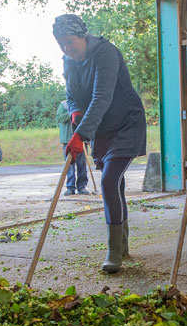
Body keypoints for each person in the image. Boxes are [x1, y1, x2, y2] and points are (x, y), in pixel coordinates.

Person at [52, 14, 146, 274]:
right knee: (116, 183)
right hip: (102, 129)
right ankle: (123, 245)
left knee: (108, 181)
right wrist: (75, 114)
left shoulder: (106, 53)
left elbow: (101, 97)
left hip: (126, 123)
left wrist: (80, 135)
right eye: (61, 44)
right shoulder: (68, 62)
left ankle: (113, 252)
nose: (67, 49)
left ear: (82, 35)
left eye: (70, 42)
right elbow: (71, 96)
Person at [56, 99, 89, 195]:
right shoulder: (63, 105)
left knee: (82, 164)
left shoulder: (82, 102)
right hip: (67, 140)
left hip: (81, 139)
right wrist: (72, 113)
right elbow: (59, 118)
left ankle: (82, 187)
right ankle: (70, 187)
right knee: (69, 165)